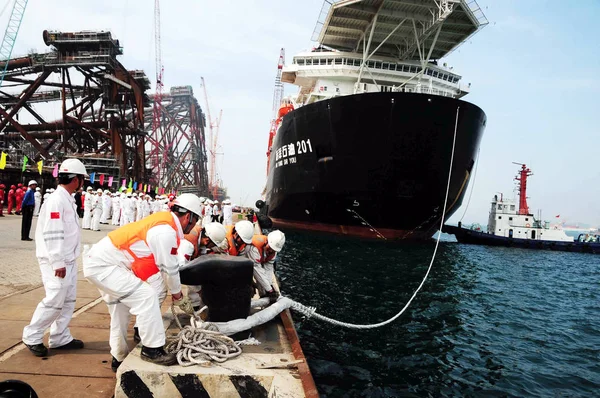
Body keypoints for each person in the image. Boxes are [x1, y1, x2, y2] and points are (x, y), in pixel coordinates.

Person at [83, 193, 202, 371]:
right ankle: (152, 349)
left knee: (120, 312)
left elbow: (157, 268)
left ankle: (119, 357)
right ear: (188, 217)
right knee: (147, 297)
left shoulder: (162, 223)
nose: (193, 227)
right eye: (194, 222)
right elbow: (170, 269)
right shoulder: (166, 231)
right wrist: (178, 295)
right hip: (106, 266)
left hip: (104, 263)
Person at [22, 159, 88, 357]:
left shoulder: (66, 199)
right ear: (76, 180)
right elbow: (53, 233)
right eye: (82, 179)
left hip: (67, 259)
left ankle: (59, 337)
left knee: (68, 300)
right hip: (56, 261)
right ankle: (32, 335)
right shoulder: (57, 200)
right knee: (54, 300)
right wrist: (57, 262)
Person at [182, 222, 228, 311]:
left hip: (174, 260)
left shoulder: (200, 237)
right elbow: (185, 272)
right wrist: (199, 291)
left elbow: (200, 257)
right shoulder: (188, 244)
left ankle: (196, 306)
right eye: (213, 245)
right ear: (207, 240)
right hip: (160, 263)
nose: (213, 247)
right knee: (160, 292)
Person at [247, 230, 285, 301]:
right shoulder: (254, 248)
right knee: (248, 290)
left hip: (253, 266)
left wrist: (269, 286)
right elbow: (257, 270)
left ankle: (263, 297)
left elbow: (268, 270)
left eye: (273, 250)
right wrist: (269, 289)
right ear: (266, 241)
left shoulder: (273, 252)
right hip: (243, 267)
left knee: (265, 288)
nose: (271, 251)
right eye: (270, 248)